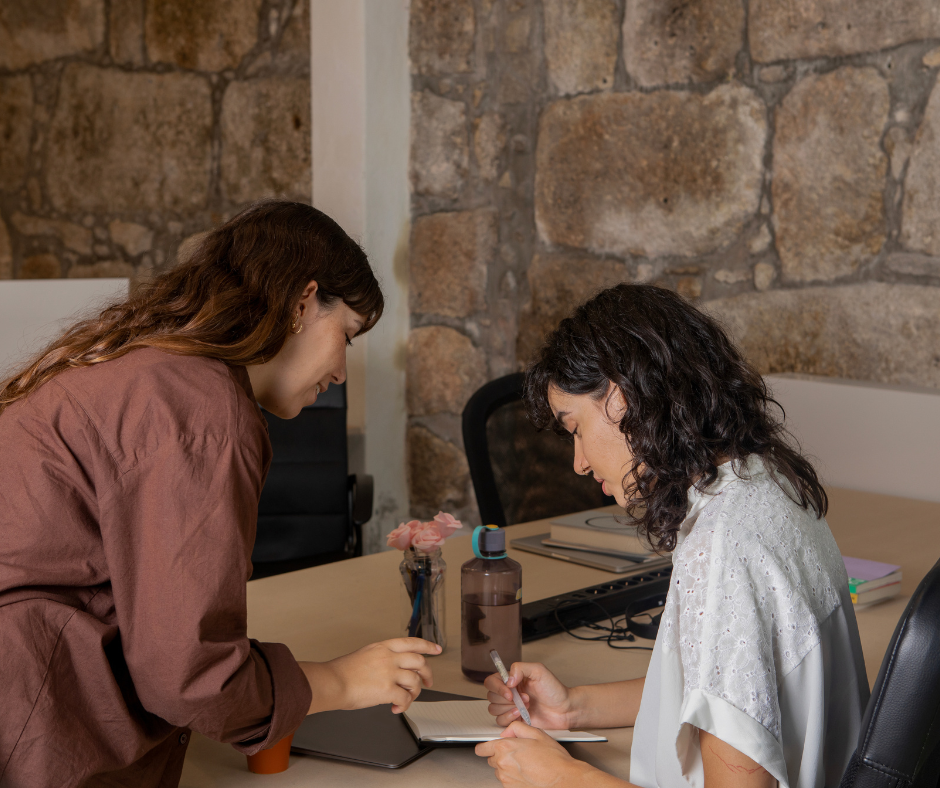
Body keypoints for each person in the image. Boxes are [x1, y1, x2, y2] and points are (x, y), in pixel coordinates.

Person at [0, 201, 440, 787]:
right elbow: (185, 671)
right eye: (348, 337)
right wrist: (340, 681)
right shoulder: (203, 410)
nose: (340, 373)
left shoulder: (155, 365)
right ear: (301, 303)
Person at [476, 284, 869, 788]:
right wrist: (573, 709)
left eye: (575, 427)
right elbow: (731, 684)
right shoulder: (763, 482)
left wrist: (562, 778)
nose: (577, 462)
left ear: (619, 399)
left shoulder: (724, 547)